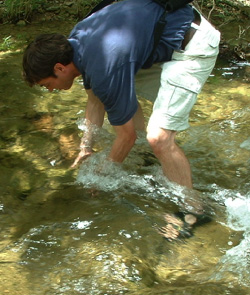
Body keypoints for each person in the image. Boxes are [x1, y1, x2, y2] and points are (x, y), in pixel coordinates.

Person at [23, 0, 220, 239]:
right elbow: (95, 99)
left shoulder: (104, 66)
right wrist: (86, 147)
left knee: (159, 138)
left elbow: (126, 136)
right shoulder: (77, 41)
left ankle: (194, 211)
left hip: (193, 46)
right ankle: (149, 157)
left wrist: (101, 176)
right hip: (165, 36)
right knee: (119, 102)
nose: (51, 91)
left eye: (47, 85)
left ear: (59, 67)